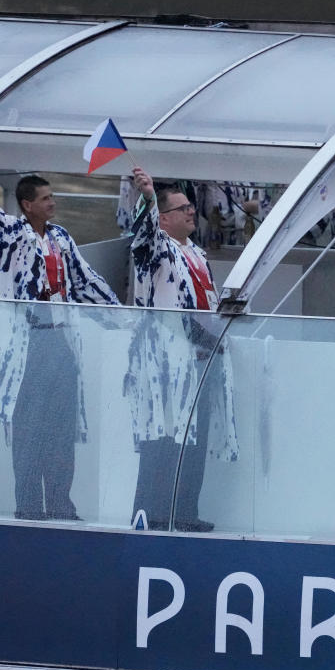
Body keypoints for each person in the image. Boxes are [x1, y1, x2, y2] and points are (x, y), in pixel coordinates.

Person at [0, 142, 120, 521]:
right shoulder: (10, 232)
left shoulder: (60, 238)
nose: (52, 203)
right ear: (27, 204)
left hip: (58, 340)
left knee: (60, 428)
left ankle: (61, 502)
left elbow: (85, 280)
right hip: (26, 344)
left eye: (52, 197)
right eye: (45, 198)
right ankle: (28, 505)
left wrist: (121, 317)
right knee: (28, 430)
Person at [124, 168, 238, 532]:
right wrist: (145, 196)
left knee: (194, 440)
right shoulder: (159, 250)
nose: (192, 212)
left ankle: (185, 512)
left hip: (202, 361)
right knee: (163, 441)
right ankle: (150, 516)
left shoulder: (198, 254)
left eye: (192, 206)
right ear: (164, 218)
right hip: (167, 365)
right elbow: (142, 237)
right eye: (183, 208)